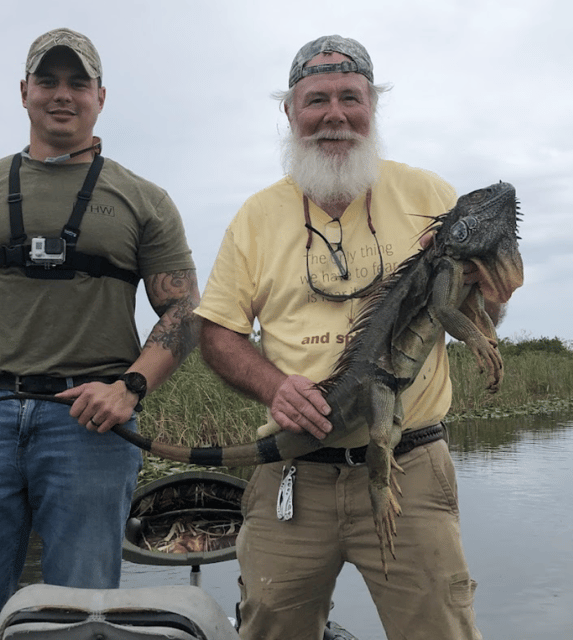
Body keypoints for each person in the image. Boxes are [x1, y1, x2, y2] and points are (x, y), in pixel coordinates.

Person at [196, 35, 495, 640]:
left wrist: (491, 300)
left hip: (409, 463)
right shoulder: (256, 216)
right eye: (316, 100)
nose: (334, 114)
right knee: (270, 629)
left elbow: (475, 307)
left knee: (439, 628)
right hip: (291, 474)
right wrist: (275, 386)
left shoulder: (431, 196)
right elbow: (218, 332)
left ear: (372, 106)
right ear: (290, 112)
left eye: (350, 97)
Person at [0, 28, 200, 640]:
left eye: (78, 82)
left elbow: (185, 316)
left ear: (100, 97)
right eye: (47, 81)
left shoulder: (143, 199)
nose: (62, 95)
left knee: (82, 618)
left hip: (91, 424)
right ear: (23, 92)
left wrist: (129, 388)